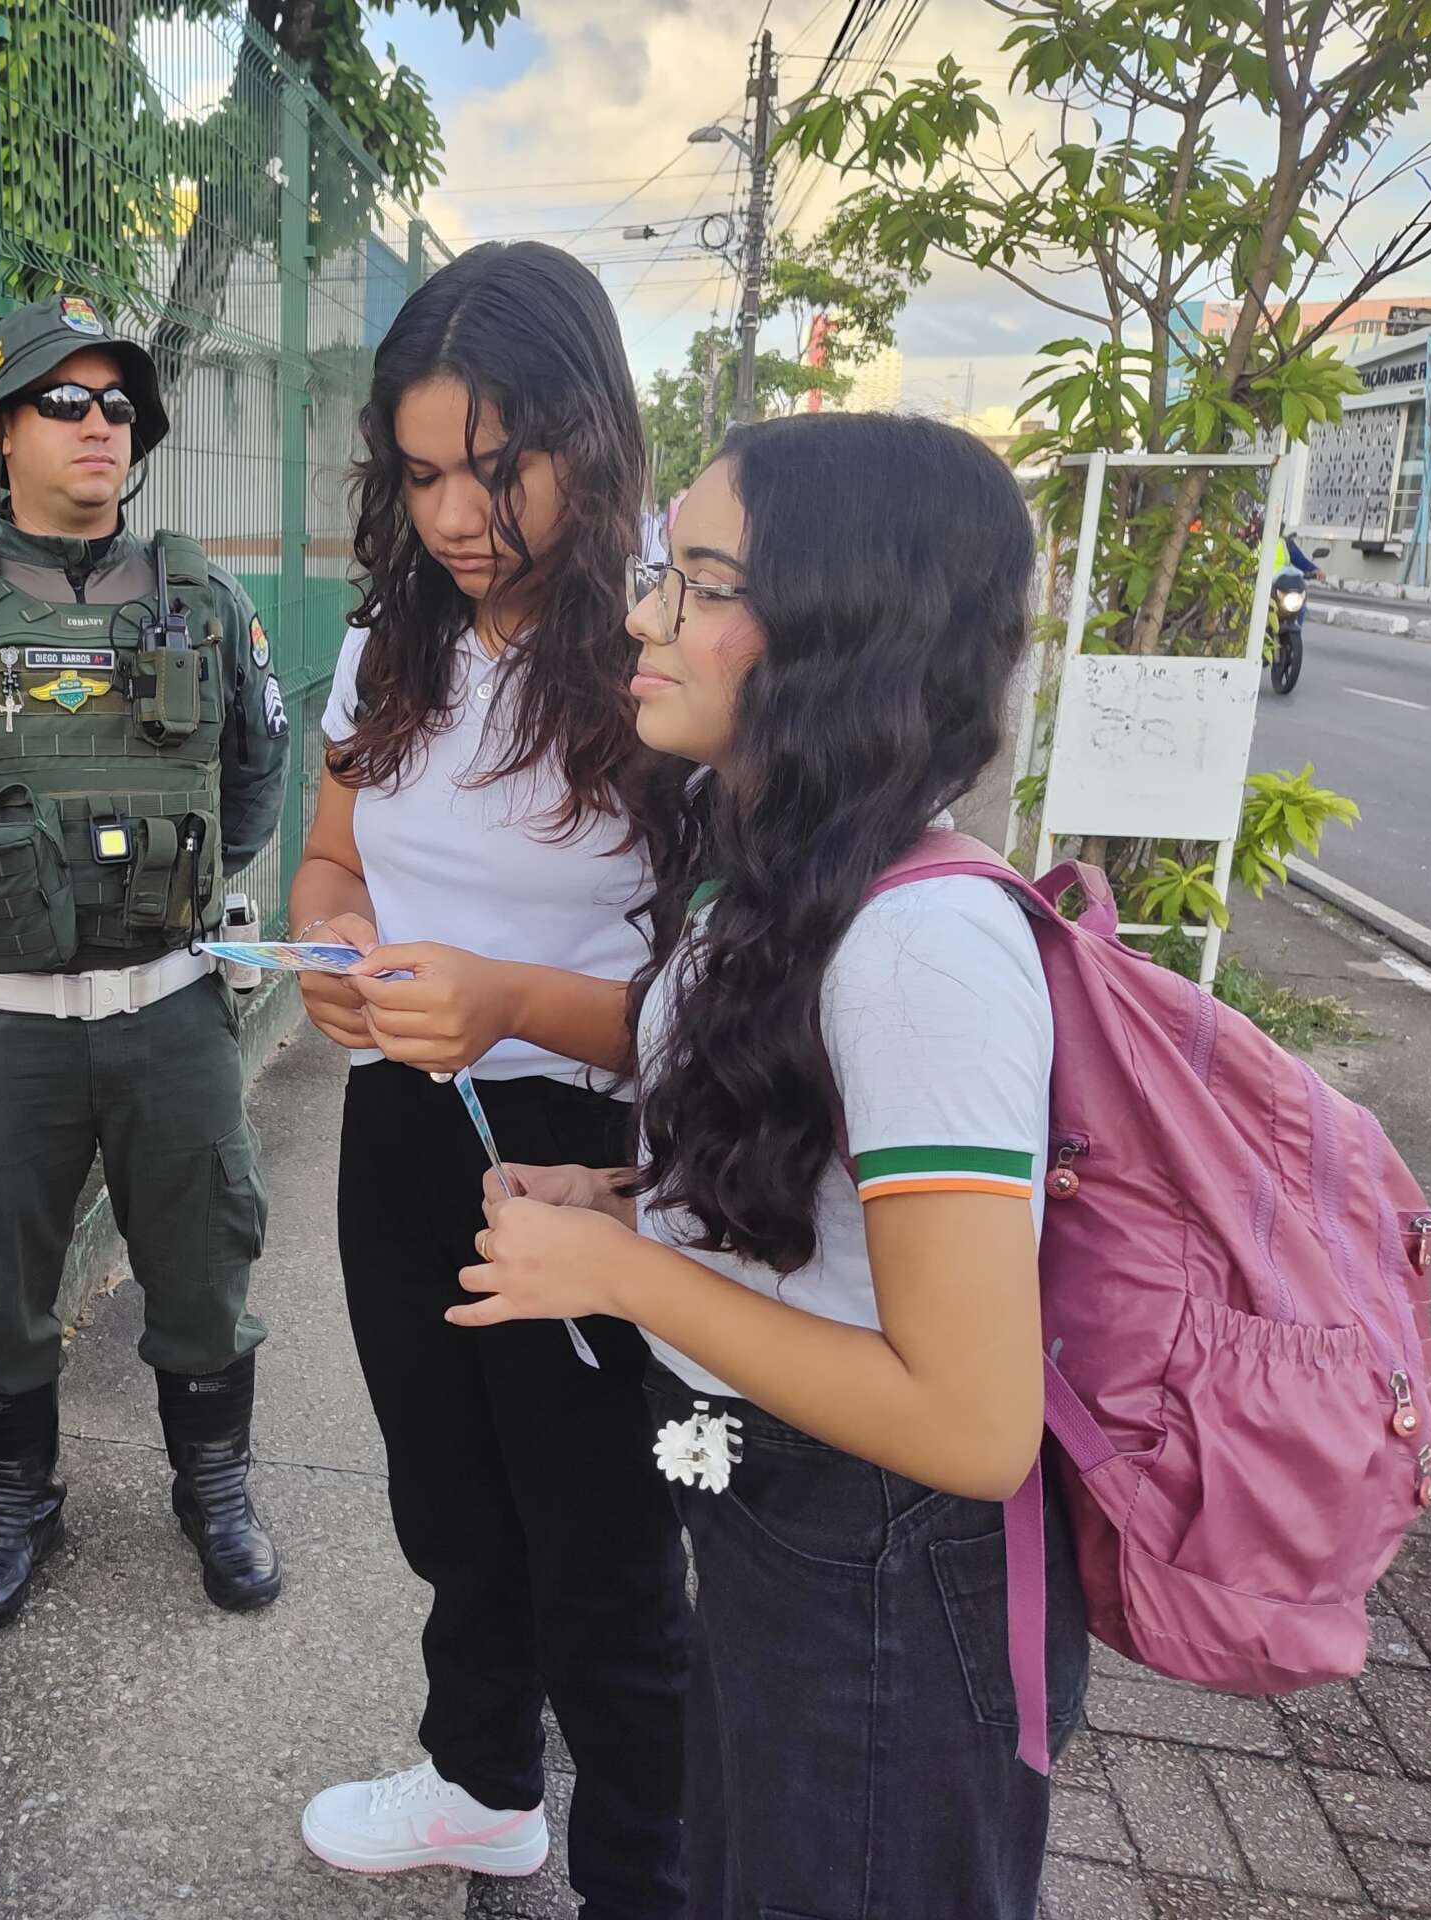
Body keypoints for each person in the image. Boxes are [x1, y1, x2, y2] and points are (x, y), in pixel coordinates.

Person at [452, 412, 1092, 1919]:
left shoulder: (919, 946)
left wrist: (617, 1272)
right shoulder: (793, 877)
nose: (646, 613)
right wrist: (623, 1205)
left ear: (843, 629)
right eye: (662, 569)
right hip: (773, 1512)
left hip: (881, 1561)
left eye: (703, 579)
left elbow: (974, 1422)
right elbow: (828, 1212)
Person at [286, 242, 692, 1916]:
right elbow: (329, 857)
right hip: (404, 1123)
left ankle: (652, 1879)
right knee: (450, 1493)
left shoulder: (674, 645)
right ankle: (482, 1789)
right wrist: (332, 951)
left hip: (591, 1150)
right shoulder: (395, 641)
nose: (460, 516)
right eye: (424, 471)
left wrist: (516, 997)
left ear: (589, 437)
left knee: (602, 1548)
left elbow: (739, 997)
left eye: (497, 468)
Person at [0, 294, 293, 1627]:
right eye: (64, 402)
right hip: (5, 1023)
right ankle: (21, 1502)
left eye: (119, 405)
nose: (98, 425)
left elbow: (254, 779)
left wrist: (165, 897)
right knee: (0, 1283)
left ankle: (215, 1489)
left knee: (204, 1271)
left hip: (173, 1012)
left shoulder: (203, 594)